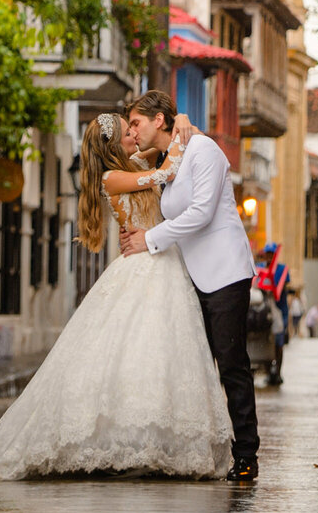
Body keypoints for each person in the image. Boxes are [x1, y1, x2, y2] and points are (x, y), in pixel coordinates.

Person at [0, 109, 232, 480]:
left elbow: (157, 153)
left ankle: (152, 438)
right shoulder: (113, 178)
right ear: (116, 144)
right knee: (135, 350)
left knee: (159, 351)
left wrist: (182, 119)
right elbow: (166, 172)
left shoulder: (128, 165)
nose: (135, 136)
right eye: (130, 132)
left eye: (135, 128)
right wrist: (179, 134)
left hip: (161, 261)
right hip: (144, 264)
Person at [118, 89, 260, 483]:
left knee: (232, 364)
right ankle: (197, 449)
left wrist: (150, 238)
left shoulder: (205, 151)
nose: (133, 130)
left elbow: (201, 213)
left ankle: (246, 454)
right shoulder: (170, 157)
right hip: (191, 276)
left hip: (225, 272)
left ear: (158, 120)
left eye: (136, 123)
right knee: (195, 364)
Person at [253, 241, 290, 385]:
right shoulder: (259, 268)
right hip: (262, 308)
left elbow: (280, 288)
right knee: (263, 338)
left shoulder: (282, 269)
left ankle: (278, 372)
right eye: (266, 254)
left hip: (279, 310)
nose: (268, 257)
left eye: (271, 254)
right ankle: (268, 371)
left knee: (278, 341)